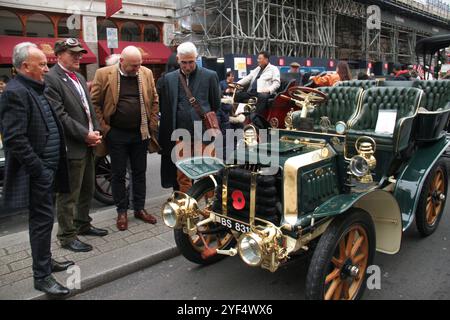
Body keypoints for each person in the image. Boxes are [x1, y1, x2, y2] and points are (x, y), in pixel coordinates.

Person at [0, 42, 73, 296]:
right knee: (41, 222)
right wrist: (40, 170)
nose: (46, 67)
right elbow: (15, 139)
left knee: (44, 221)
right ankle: (42, 276)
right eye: (41, 64)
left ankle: (46, 260)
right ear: (24, 67)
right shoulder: (15, 92)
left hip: (48, 169)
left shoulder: (35, 88)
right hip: (38, 173)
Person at [45, 38, 108, 252]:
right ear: (59, 55)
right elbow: (60, 116)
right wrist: (85, 135)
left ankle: (83, 224)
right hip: (72, 146)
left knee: (87, 188)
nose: (79, 57)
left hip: (89, 142)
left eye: (80, 53)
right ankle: (66, 236)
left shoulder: (79, 77)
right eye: (73, 54)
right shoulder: (51, 79)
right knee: (69, 193)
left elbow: (89, 107)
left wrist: (97, 130)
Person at [91, 46, 160, 231]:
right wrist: (106, 129)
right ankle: (121, 211)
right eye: (133, 66)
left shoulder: (145, 73)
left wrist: (152, 123)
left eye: (139, 65)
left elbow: (154, 99)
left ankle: (139, 209)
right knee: (118, 174)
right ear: (121, 61)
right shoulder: (103, 74)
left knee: (139, 173)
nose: (137, 69)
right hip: (116, 134)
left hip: (141, 132)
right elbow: (94, 103)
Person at [158, 41, 221, 193]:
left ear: (196, 58)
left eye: (191, 62)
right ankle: (186, 208)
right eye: (184, 62)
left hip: (204, 132)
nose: (187, 66)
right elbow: (167, 106)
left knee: (207, 172)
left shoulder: (210, 76)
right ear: (178, 59)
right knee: (183, 175)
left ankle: (208, 208)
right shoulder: (169, 78)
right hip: (180, 133)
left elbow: (215, 104)